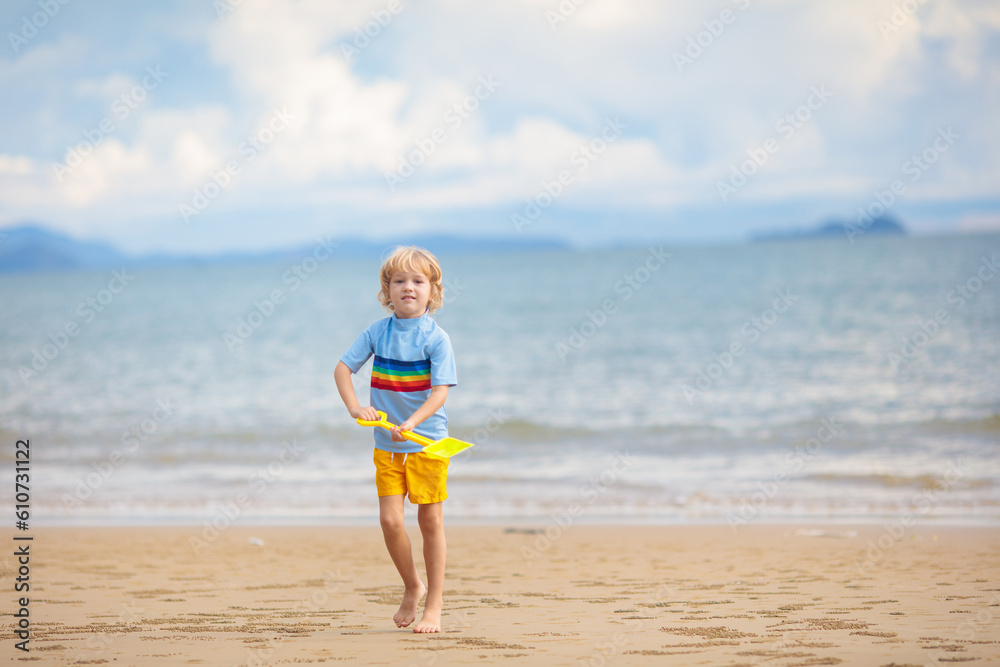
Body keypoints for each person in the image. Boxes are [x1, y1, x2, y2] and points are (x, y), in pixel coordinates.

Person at [334, 246, 457, 633]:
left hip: (428, 444)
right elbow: (342, 369)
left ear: (432, 292)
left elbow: (439, 393)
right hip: (387, 446)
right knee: (390, 521)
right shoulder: (377, 332)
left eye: (418, 281)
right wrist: (356, 408)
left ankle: (434, 604)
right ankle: (412, 586)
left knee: (430, 520)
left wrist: (413, 421)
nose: (408, 287)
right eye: (399, 281)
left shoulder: (437, 338)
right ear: (387, 291)